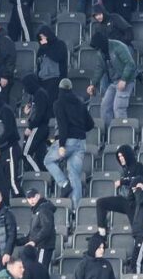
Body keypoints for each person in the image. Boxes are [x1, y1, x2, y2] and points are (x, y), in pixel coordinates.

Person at [48, 79, 94, 208]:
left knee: (48, 160)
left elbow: (62, 125)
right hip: (81, 142)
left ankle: (63, 184)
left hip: (68, 141)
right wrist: (78, 128)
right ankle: (76, 210)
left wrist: (62, 145)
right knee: (75, 176)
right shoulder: (80, 102)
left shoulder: (58, 103)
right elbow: (90, 124)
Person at [88, 32, 138, 130]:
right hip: (114, 82)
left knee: (118, 107)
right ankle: (108, 133)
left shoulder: (118, 46)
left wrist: (124, 80)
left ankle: (122, 131)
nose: (97, 49)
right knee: (105, 106)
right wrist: (93, 84)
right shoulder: (100, 52)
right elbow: (99, 69)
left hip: (127, 80)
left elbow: (130, 64)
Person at [93, 145, 143, 234]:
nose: (121, 158)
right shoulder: (125, 170)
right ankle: (102, 233)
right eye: (119, 157)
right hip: (123, 199)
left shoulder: (139, 166)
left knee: (137, 229)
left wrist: (122, 182)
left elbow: (140, 180)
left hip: (133, 202)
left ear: (128, 155)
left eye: (122, 156)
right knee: (101, 203)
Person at [16, 189, 56, 271]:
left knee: (39, 271)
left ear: (38, 196)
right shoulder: (37, 210)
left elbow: (47, 228)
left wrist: (34, 241)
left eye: (33, 197)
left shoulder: (44, 209)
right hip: (39, 246)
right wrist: (16, 242)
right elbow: (32, 234)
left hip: (43, 246)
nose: (31, 200)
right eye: (29, 198)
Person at [20, 74, 51, 173]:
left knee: (26, 153)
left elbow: (40, 114)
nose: (25, 88)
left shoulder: (40, 94)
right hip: (42, 128)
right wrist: (28, 112)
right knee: (40, 156)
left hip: (38, 128)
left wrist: (30, 127)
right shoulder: (38, 94)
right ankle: (45, 175)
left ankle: (38, 174)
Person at [35, 25, 67, 105]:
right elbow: (39, 65)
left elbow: (58, 57)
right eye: (40, 37)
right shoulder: (40, 49)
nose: (42, 39)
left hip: (56, 80)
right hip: (43, 80)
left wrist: (46, 48)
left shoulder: (60, 44)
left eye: (43, 36)